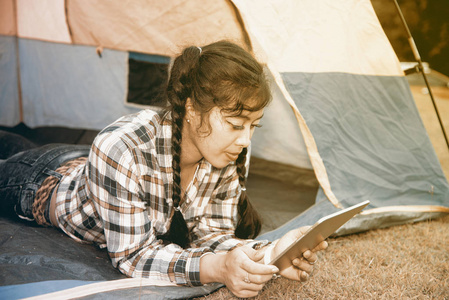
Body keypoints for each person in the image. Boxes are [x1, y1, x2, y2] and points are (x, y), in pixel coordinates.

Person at [0, 40, 327, 298]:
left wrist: (271, 253)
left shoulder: (225, 148)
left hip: (90, 166)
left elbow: (211, 234)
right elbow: (133, 256)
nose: (245, 139)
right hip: (41, 182)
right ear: (192, 109)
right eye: (235, 123)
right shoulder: (120, 147)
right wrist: (215, 268)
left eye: (253, 126)